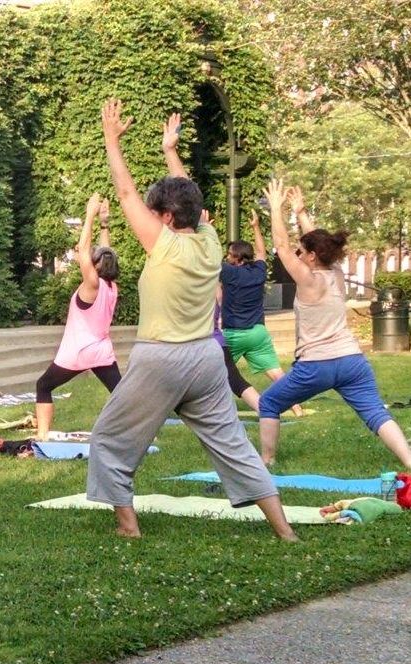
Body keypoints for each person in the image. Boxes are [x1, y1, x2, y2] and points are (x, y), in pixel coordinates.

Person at [86, 103, 297, 541]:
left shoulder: (165, 245)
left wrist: (111, 139)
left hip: (162, 358)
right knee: (235, 446)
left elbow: (125, 194)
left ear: (164, 218)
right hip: (206, 359)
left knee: (109, 439)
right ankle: (285, 531)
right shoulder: (209, 239)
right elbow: (191, 197)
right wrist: (170, 151)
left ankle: (128, 528)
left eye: (156, 211)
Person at [259, 180, 411, 469]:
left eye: (302, 253)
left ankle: (266, 462)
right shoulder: (337, 273)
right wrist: (302, 213)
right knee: (376, 413)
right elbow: (319, 244)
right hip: (353, 361)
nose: (299, 256)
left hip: (316, 365)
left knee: (269, 403)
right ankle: (409, 460)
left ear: (312, 257)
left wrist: (277, 210)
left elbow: (281, 246)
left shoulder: (308, 279)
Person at [34, 193, 121, 441]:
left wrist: (90, 215)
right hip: (102, 351)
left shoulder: (92, 284)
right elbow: (107, 253)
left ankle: (42, 435)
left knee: (44, 386)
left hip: (78, 352)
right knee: (120, 393)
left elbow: (83, 249)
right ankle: (139, 432)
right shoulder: (111, 287)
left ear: (94, 266)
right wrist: (105, 224)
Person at [219, 211, 303, 417]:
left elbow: (208, 257)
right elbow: (261, 252)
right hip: (258, 333)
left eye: (229, 255)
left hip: (233, 334)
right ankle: (297, 408)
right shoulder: (258, 271)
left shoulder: (229, 272)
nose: (227, 257)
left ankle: (218, 411)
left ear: (237, 258)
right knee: (276, 373)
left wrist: (207, 229)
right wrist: (256, 227)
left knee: (220, 374)